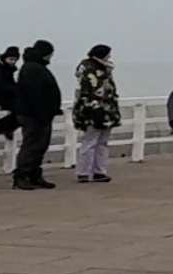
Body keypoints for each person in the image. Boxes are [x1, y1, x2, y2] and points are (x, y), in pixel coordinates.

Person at [12, 39, 62, 190]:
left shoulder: (36, 67)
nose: (50, 57)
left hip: (41, 114)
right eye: (49, 54)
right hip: (33, 115)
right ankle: (22, 176)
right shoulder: (31, 68)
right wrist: (42, 112)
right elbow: (34, 94)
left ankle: (34, 174)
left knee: (40, 146)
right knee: (31, 145)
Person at [73, 44, 121, 184]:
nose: (109, 57)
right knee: (91, 141)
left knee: (101, 142)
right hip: (94, 110)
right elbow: (89, 92)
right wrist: (95, 109)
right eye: (108, 55)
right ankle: (84, 172)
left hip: (106, 110)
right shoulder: (90, 70)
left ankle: (99, 171)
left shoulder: (103, 69)